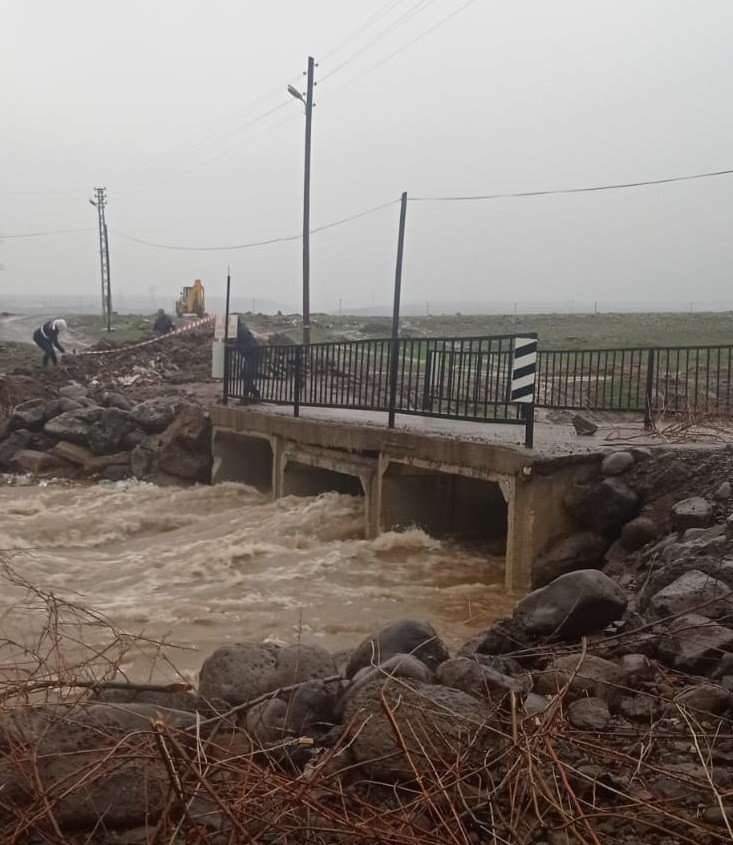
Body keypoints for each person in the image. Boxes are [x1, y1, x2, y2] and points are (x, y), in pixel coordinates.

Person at [235, 316, 261, 399]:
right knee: (245, 375)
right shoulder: (240, 330)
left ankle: (245, 398)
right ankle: (256, 395)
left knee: (247, 376)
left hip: (254, 355)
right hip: (251, 356)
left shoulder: (242, 331)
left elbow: (250, 345)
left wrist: (243, 350)